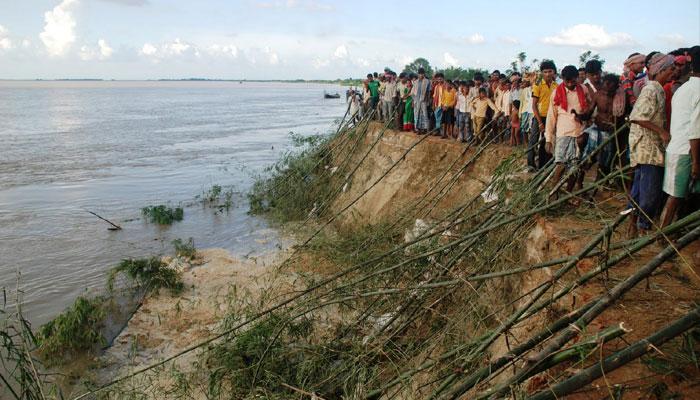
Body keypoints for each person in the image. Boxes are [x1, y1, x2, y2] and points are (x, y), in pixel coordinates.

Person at [627, 53, 676, 237]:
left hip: (648, 148)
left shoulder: (658, 89)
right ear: (662, 70)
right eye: (671, 69)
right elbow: (637, 117)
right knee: (649, 192)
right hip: (648, 149)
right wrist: (662, 132)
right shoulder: (652, 90)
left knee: (639, 190)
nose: (673, 73)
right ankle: (642, 226)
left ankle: (633, 225)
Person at [660, 46, 700, 229]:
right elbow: (695, 130)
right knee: (676, 196)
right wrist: (696, 162)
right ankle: (662, 235)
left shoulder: (684, 88)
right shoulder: (697, 90)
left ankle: (672, 230)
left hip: (679, 148)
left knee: (679, 196)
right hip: (687, 151)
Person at [544, 65, 590, 200]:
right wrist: (548, 138)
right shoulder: (556, 93)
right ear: (562, 79)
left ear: (577, 78)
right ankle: (553, 193)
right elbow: (551, 117)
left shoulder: (584, 90)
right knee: (561, 164)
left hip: (580, 132)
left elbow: (589, 109)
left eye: (573, 81)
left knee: (575, 166)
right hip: (563, 133)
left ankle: (568, 193)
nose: (570, 84)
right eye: (567, 81)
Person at [581, 74, 619, 180]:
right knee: (587, 158)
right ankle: (579, 181)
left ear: (615, 87)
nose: (607, 92)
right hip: (596, 129)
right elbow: (589, 111)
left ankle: (600, 184)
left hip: (611, 132)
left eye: (610, 90)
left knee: (605, 161)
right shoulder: (598, 95)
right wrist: (580, 115)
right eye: (605, 88)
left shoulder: (620, 98)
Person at [529, 60, 558, 171]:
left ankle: (545, 165)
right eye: (545, 72)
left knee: (548, 141)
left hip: (552, 118)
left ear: (554, 72)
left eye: (550, 71)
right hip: (539, 117)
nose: (547, 74)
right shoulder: (538, 85)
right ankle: (530, 165)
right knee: (533, 140)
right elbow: (534, 105)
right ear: (541, 73)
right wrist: (540, 122)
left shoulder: (557, 86)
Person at [412, 67, 431, 133]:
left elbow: (428, 92)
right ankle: (418, 128)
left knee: (424, 114)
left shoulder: (427, 81)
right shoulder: (415, 82)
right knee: (417, 114)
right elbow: (413, 93)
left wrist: (427, 100)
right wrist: (413, 101)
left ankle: (425, 128)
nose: (421, 75)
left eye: (422, 74)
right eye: (420, 74)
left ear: (424, 74)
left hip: (424, 100)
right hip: (416, 100)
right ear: (418, 74)